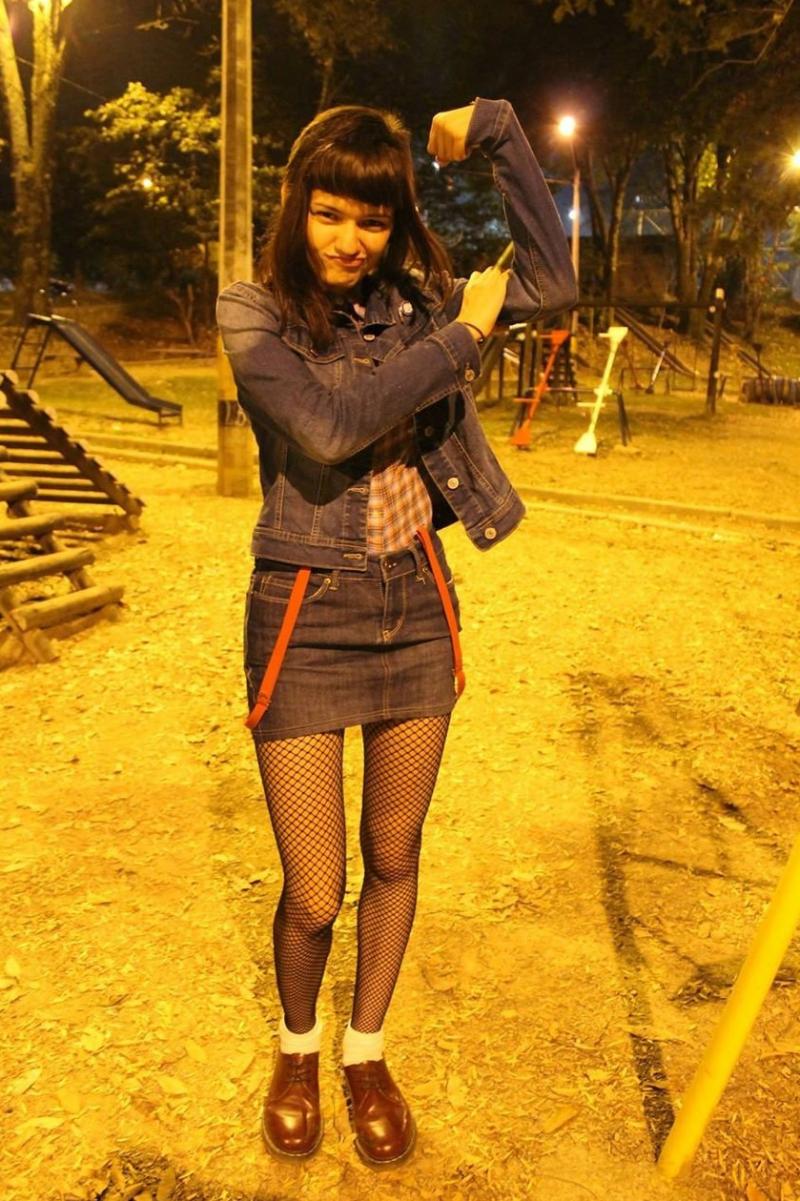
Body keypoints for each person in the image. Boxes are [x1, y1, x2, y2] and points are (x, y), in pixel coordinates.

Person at [216, 96, 576, 1168]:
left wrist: (502, 133)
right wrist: (462, 337)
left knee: (394, 853)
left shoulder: (413, 299)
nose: (349, 239)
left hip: (415, 607)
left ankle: (364, 1052)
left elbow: (552, 284)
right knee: (313, 886)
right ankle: (298, 1045)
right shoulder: (253, 312)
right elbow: (329, 428)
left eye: (371, 220)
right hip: (305, 610)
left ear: (394, 223)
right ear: (297, 205)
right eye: (329, 212)